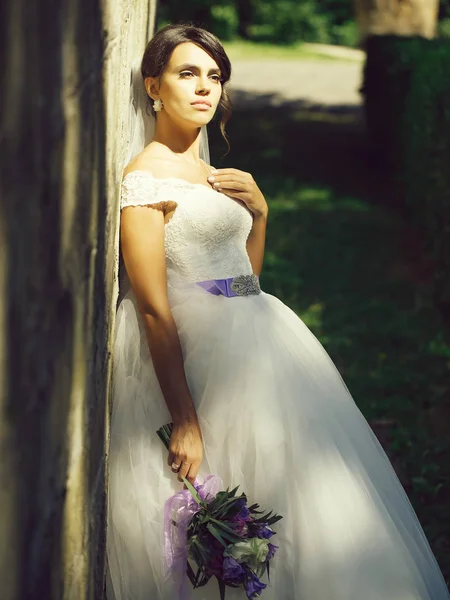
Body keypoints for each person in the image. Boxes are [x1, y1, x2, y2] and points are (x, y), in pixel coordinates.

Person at [106, 23, 450, 600]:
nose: (204, 88)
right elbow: (153, 312)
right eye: (186, 73)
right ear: (152, 86)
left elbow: (245, 278)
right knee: (226, 498)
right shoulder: (145, 178)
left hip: (262, 342)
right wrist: (185, 419)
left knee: (305, 493)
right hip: (199, 360)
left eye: (214, 76)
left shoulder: (210, 169)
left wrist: (260, 213)